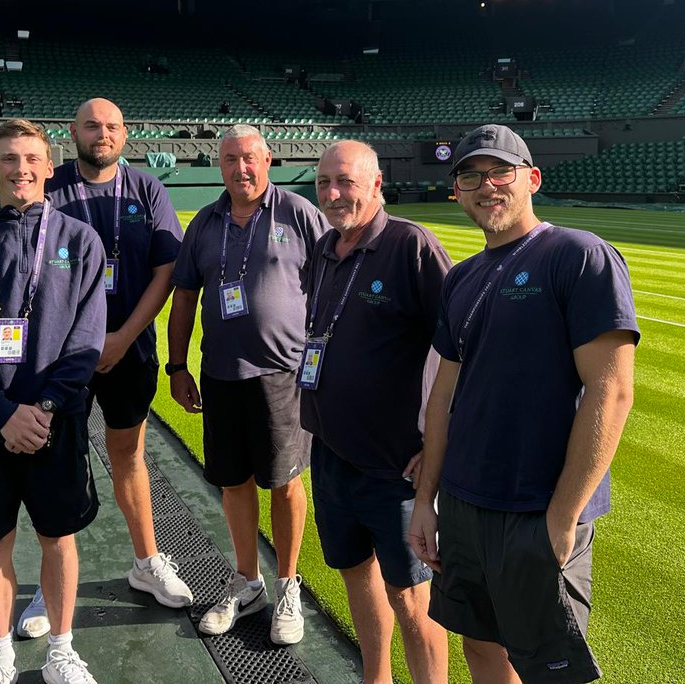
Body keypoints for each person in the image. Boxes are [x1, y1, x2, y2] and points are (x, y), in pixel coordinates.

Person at [408, 125, 638, 684]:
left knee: (550, 668)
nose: (486, 186)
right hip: (465, 504)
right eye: (470, 175)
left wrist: (562, 516)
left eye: (499, 172)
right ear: (456, 191)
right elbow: (442, 400)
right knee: (481, 648)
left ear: (531, 178)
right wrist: (425, 500)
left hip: (536, 506)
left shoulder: (578, 255)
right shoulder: (461, 278)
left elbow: (612, 393)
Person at [9, 98, 191, 638]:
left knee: (128, 454)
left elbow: (166, 270)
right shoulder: (51, 184)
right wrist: (86, 343)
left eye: (111, 126)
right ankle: (51, 584)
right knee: (56, 460)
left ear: (124, 134)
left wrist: (123, 336)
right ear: (73, 133)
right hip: (62, 356)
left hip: (127, 350)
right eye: (92, 125)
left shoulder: (146, 189)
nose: (102, 134)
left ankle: (146, 563)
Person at [0, 119, 107, 684]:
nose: (21, 169)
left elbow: (86, 343)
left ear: (49, 167)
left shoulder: (80, 241)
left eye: (32, 158)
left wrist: (46, 409)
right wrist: (4, 412)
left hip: (55, 425)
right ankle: (1, 655)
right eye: (9, 158)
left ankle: (61, 650)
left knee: (58, 540)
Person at [167, 124, 329, 644]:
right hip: (220, 374)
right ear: (221, 166)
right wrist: (175, 366)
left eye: (251, 158)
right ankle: (247, 581)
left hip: (282, 375)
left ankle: (286, 586)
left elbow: (333, 283)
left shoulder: (300, 214)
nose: (242, 168)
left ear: (268, 161)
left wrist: (323, 360)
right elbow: (185, 298)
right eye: (232, 159)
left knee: (283, 483)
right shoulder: (206, 223)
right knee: (233, 482)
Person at [301, 140, 450, 684]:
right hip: (331, 453)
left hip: (394, 468)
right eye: (324, 183)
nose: (334, 194)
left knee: (410, 596)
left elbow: (462, 351)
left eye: (345, 182)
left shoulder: (411, 246)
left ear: (376, 184)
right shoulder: (324, 250)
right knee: (354, 571)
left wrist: (439, 443)